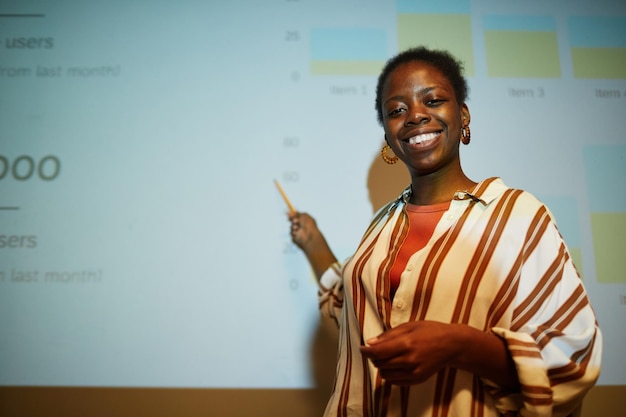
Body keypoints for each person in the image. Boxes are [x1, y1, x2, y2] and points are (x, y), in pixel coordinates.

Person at [287, 46, 601, 417]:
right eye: (396, 110)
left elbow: (572, 359)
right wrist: (313, 243)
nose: (415, 115)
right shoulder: (381, 226)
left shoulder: (519, 216)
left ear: (462, 114)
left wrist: (459, 346)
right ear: (388, 136)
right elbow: (351, 307)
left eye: (433, 100)